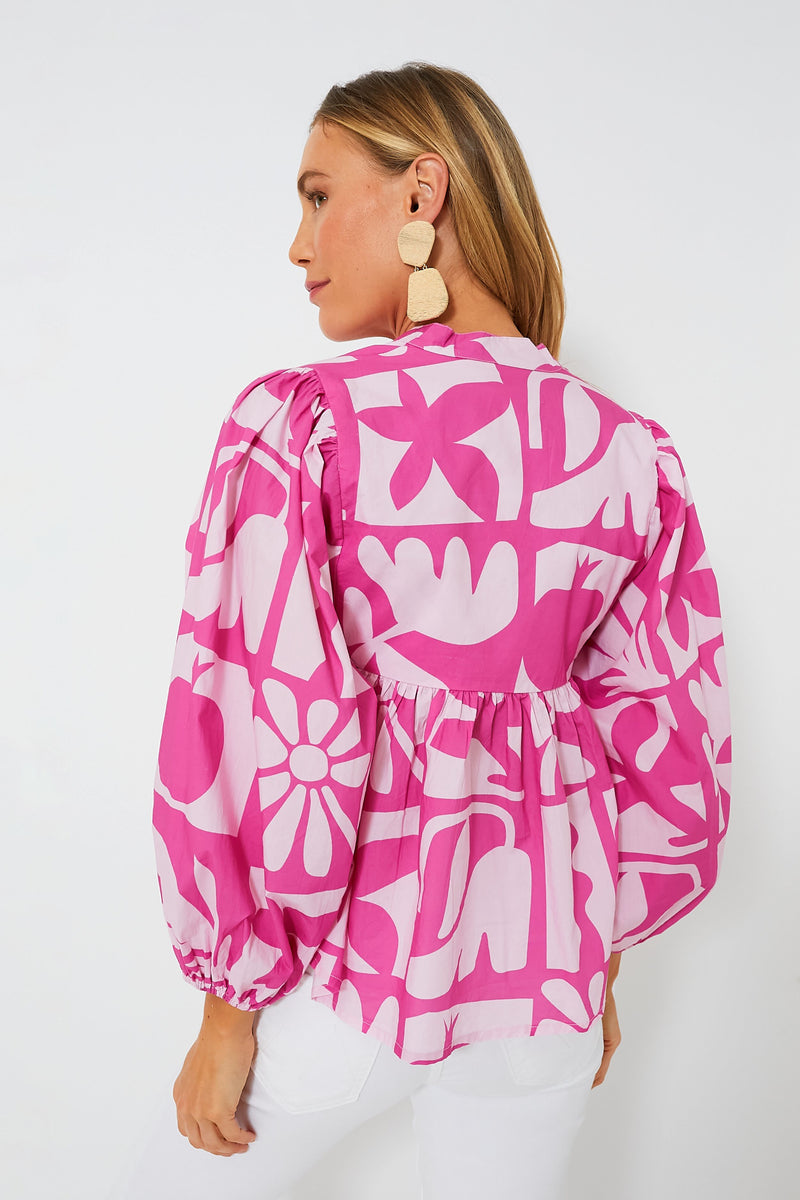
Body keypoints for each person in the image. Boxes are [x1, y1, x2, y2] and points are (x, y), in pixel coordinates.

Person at [112, 62, 731, 1200]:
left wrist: (226, 1009)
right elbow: (661, 737)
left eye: (316, 196)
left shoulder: (307, 425)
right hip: (547, 983)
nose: (297, 246)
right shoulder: (627, 452)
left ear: (421, 193)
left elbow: (257, 719)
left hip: (354, 975)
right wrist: (593, 959)